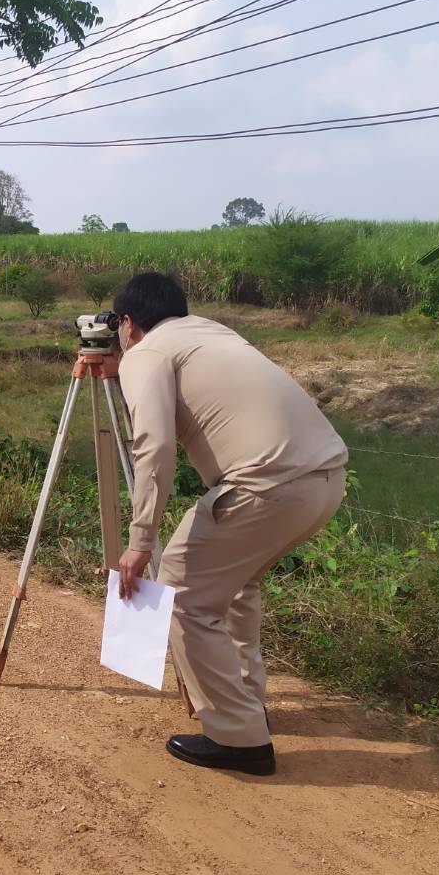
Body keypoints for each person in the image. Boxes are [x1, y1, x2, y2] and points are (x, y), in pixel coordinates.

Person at [113, 272, 347, 776]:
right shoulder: (211, 332)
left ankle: (239, 738)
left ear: (128, 324)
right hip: (324, 479)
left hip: (268, 484)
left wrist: (139, 542)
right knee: (238, 585)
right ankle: (247, 703)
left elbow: (153, 446)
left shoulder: (145, 353)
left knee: (181, 592)